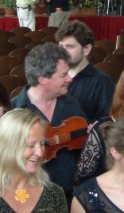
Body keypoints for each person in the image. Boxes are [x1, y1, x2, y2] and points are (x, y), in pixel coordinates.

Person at [10, 42, 89, 195]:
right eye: (63, 75)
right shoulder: (14, 112)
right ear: (43, 79)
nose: (69, 79)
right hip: (28, 197)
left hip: (69, 196)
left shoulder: (71, 104)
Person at [57, 20, 115, 122]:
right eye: (61, 47)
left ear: (86, 49)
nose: (63, 52)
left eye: (69, 46)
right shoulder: (53, 78)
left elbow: (107, 123)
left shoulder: (101, 82)